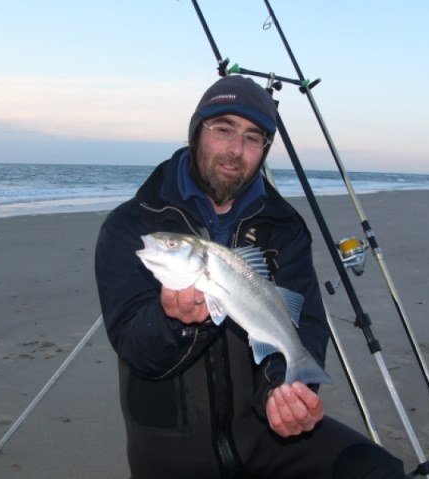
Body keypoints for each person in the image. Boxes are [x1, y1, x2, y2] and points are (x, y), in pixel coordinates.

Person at [95, 75, 404, 479]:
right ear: (196, 133)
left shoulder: (284, 227)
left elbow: (305, 320)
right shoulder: (133, 224)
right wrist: (175, 322)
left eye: (253, 138)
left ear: (263, 150)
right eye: (222, 129)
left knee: (377, 470)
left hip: (262, 434)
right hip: (171, 446)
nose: (235, 150)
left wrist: (286, 388)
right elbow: (137, 350)